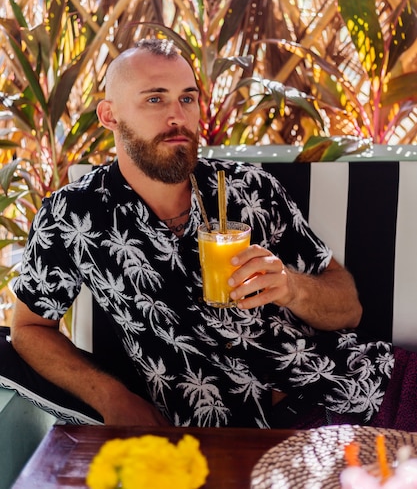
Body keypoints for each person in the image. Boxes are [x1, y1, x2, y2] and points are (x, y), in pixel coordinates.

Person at [6, 39, 416, 429]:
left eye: (187, 98)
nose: (177, 116)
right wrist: (112, 397)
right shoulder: (72, 214)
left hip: (367, 386)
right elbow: (28, 328)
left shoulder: (249, 189)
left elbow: (349, 308)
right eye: (155, 98)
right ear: (110, 115)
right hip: (232, 435)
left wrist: (292, 287)